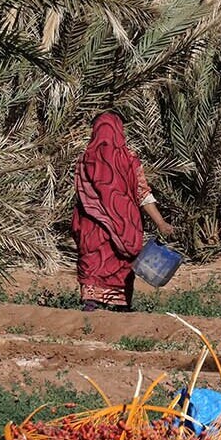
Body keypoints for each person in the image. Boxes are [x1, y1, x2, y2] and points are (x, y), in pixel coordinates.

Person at [73, 112, 175, 312]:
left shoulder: (85, 160)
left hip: (92, 225)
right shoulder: (129, 160)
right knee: (119, 265)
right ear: (119, 132)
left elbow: (82, 194)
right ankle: (120, 305)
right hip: (125, 224)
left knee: (93, 260)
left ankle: (90, 304)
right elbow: (142, 193)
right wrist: (161, 223)